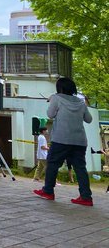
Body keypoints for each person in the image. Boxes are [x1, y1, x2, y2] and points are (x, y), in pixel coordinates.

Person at [34, 78, 93, 206]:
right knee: (80, 168)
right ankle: (86, 197)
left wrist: (52, 100)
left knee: (52, 164)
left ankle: (48, 191)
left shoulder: (56, 98)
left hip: (61, 139)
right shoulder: (80, 102)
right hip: (79, 141)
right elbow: (89, 119)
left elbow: (50, 114)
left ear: (59, 88)